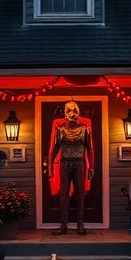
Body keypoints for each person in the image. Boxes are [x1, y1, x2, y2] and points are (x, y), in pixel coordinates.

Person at [47, 100, 94, 235]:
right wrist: (50, 167)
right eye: (69, 110)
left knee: (80, 194)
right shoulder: (60, 129)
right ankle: (63, 225)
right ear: (65, 112)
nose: (72, 113)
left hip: (79, 163)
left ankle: (80, 224)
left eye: (75, 111)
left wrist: (91, 167)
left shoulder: (84, 129)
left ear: (78, 112)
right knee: (63, 195)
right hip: (65, 163)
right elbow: (54, 149)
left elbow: (90, 149)